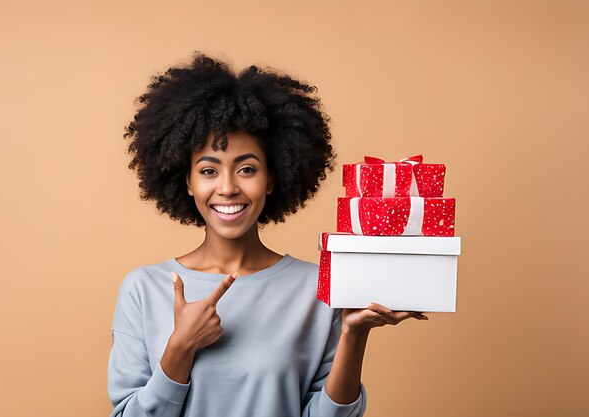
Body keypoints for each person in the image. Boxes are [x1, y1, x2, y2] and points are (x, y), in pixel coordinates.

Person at [108, 51, 428, 417]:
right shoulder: (144, 289)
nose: (227, 188)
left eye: (246, 169)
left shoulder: (318, 289)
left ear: (272, 179)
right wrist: (179, 349)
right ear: (187, 181)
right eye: (209, 171)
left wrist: (354, 335)